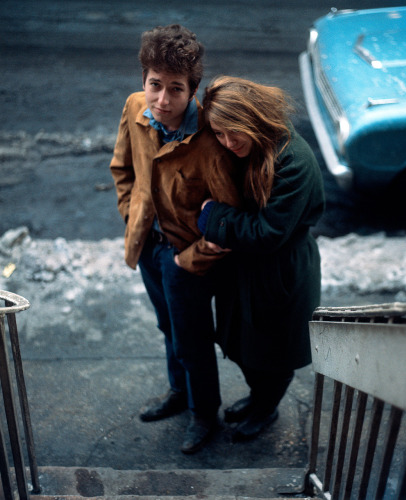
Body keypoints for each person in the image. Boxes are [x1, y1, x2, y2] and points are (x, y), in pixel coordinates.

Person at [109, 26, 240, 454]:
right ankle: (179, 393)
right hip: (148, 245)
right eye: (155, 86)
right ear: (143, 81)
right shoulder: (134, 109)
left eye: (176, 90)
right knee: (167, 325)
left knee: (192, 337)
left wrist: (189, 259)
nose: (162, 100)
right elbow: (122, 169)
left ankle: (205, 413)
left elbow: (227, 220)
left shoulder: (209, 140)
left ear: (194, 91)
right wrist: (133, 216)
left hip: (186, 259)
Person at [198, 76, 325, 441]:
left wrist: (211, 217)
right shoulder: (251, 146)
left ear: (251, 118)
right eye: (219, 135)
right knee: (242, 346)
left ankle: (266, 408)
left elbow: (267, 233)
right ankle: (258, 398)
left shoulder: (293, 162)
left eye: (232, 132)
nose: (227, 143)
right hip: (247, 270)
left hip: (280, 272)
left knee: (272, 353)